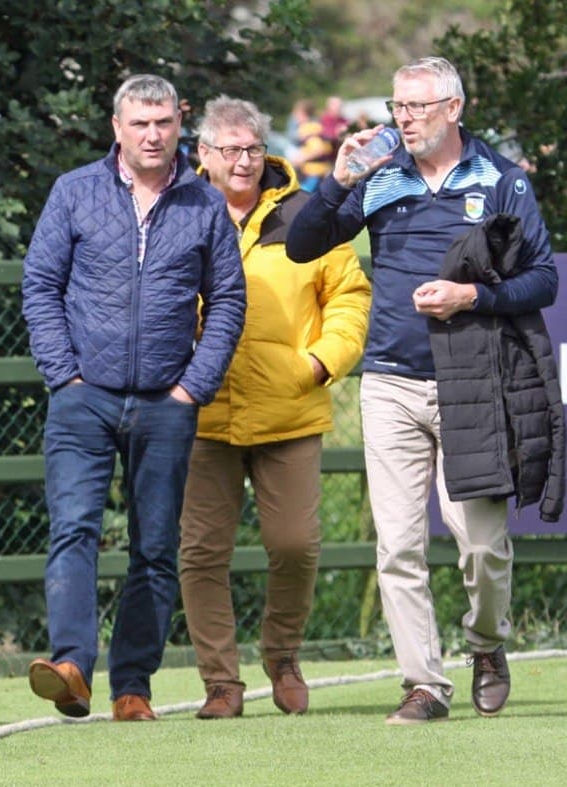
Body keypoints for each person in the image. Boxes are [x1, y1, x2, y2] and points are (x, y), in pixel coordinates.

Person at [287, 56, 559, 724]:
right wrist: (336, 181)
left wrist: (471, 296)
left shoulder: (500, 179)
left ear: (453, 108)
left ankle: (487, 646)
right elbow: (301, 245)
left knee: (481, 546)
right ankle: (425, 684)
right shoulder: (378, 176)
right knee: (399, 547)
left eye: (417, 106)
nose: (403, 119)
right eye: (397, 107)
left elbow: (544, 279)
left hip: (474, 381)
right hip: (389, 381)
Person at [21, 74, 246, 722]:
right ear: (116, 127)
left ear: (180, 127)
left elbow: (228, 300)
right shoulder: (74, 192)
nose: (152, 135)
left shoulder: (205, 203)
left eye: (163, 123)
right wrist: (64, 375)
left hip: (166, 403)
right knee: (74, 529)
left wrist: (191, 387)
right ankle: (71, 667)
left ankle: (132, 687)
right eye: (140, 123)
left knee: (154, 548)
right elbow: (40, 285)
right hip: (82, 399)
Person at [180, 97, 371, 719]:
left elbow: (349, 297)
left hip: (288, 407)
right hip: (200, 411)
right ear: (203, 154)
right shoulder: (179, 210)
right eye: (229, 149)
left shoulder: (307, 214)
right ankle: (221, 683)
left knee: (294, 545)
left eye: (253, 148)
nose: (243, 161)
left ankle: (283, 655)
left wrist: (318, 364)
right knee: (201, 552)